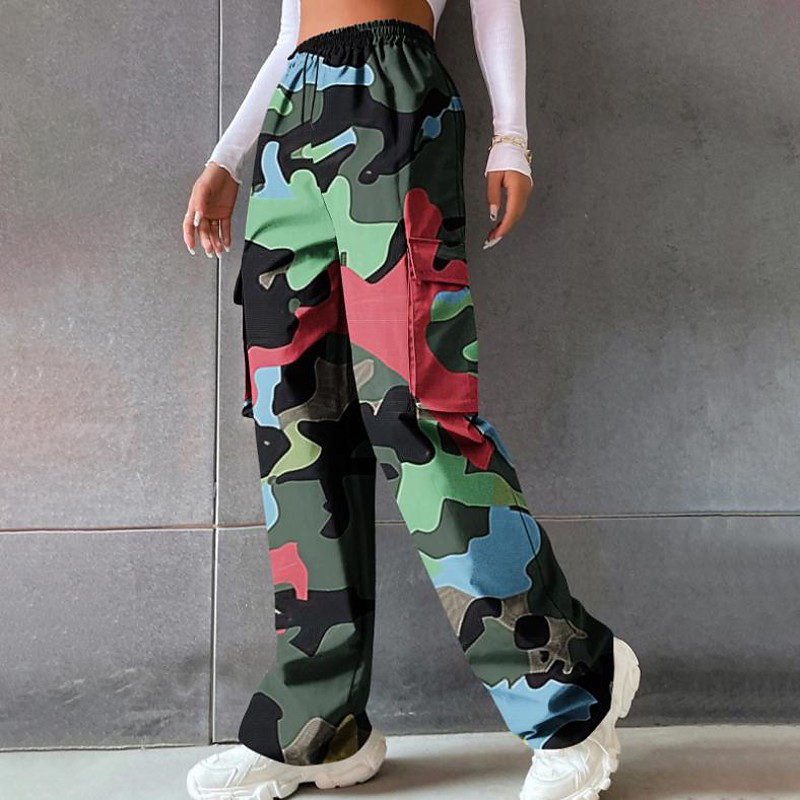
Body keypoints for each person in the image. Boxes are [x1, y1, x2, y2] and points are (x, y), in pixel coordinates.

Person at [181, 2, 640, 799]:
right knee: (295, 419)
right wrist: (227, 156)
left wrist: (511, 136)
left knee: (418, 409)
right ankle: (319, 726)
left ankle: (570, 685)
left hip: (394, 93)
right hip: (293, 118)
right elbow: (290, 32)